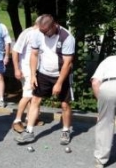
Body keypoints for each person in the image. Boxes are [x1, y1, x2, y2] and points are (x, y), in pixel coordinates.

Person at [15, 14, 75, 145]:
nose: (43, 34)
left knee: (64, 104)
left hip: (61, 74)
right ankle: (29, 132)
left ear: (54, 25)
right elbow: (34, 55)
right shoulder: (37, 33)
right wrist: (32, 75)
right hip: (43, 72)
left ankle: (65, 130)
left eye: (46, 31)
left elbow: (67, 63)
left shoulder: (67, 37)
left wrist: (59, 83)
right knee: (35, 99)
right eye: (41, 31)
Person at [12, 16, 44, 133]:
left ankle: (30, 118)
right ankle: (17, 121)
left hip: (36, 69)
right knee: (28, 95)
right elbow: (15, 51)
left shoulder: (41, 33)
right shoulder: (27, 33)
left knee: (33, 95)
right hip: (26, 69)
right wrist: (16, 69)